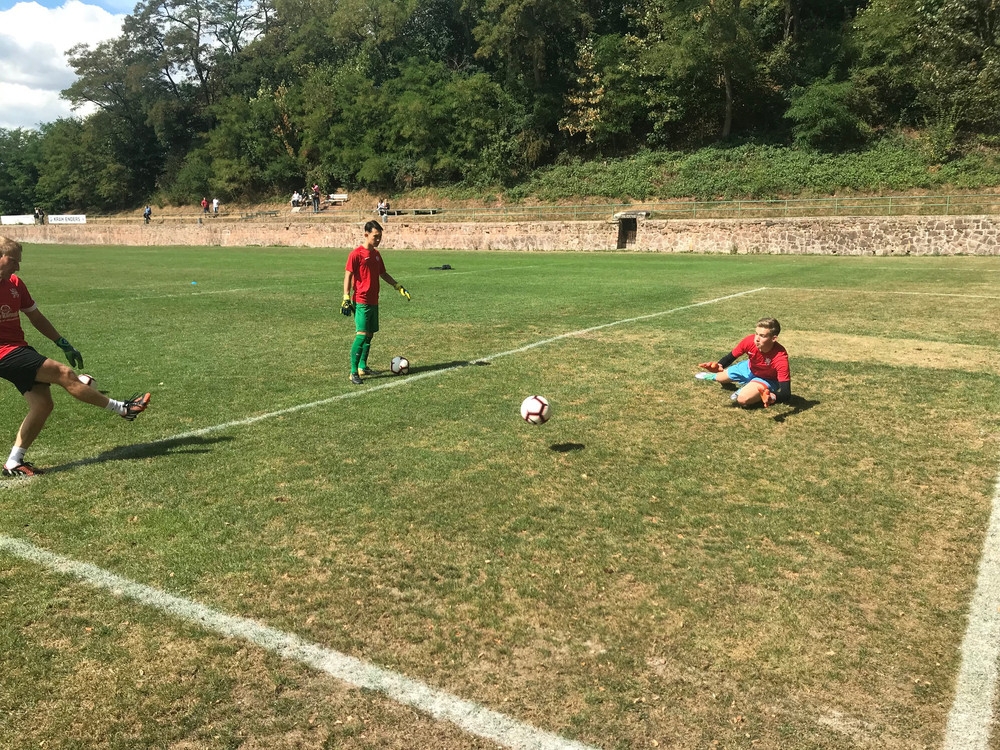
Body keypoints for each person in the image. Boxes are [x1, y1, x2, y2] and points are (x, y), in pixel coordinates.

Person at [0, 237, 150, 477]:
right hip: (3, 353)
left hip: (18, 348)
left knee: (43, 404)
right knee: (64, 373)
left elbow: (35, 317)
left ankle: (13, 462)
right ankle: (123, 408)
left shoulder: (15, 284)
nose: (17, 267)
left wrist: (62, 342)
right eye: (13, 261)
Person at [342, 221, 411, 384]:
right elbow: (348, 275)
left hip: (374, 300)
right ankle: (353, 372)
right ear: (366, 234)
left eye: (380, 236)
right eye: (375, 236)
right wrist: (346, 296)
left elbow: (383, 273)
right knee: (361, 335)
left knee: (370, 335)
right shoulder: (356, 254)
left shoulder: (377, 254)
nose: (378, 239)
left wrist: (397, 286)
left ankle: (362, 367)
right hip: (361, 300)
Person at [695, 317, 791, 408]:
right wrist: (719, 365)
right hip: (748, 367)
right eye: (756, 333)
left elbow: (786, 393)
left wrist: (772, 397)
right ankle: (742, 383)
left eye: (762, 336)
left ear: (773, 338)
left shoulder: (780, 358)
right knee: (720, 377)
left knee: (742, 400)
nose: (757, 339)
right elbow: (730, 357)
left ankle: (753, 389)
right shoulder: (749, 341)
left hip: (767, 379)